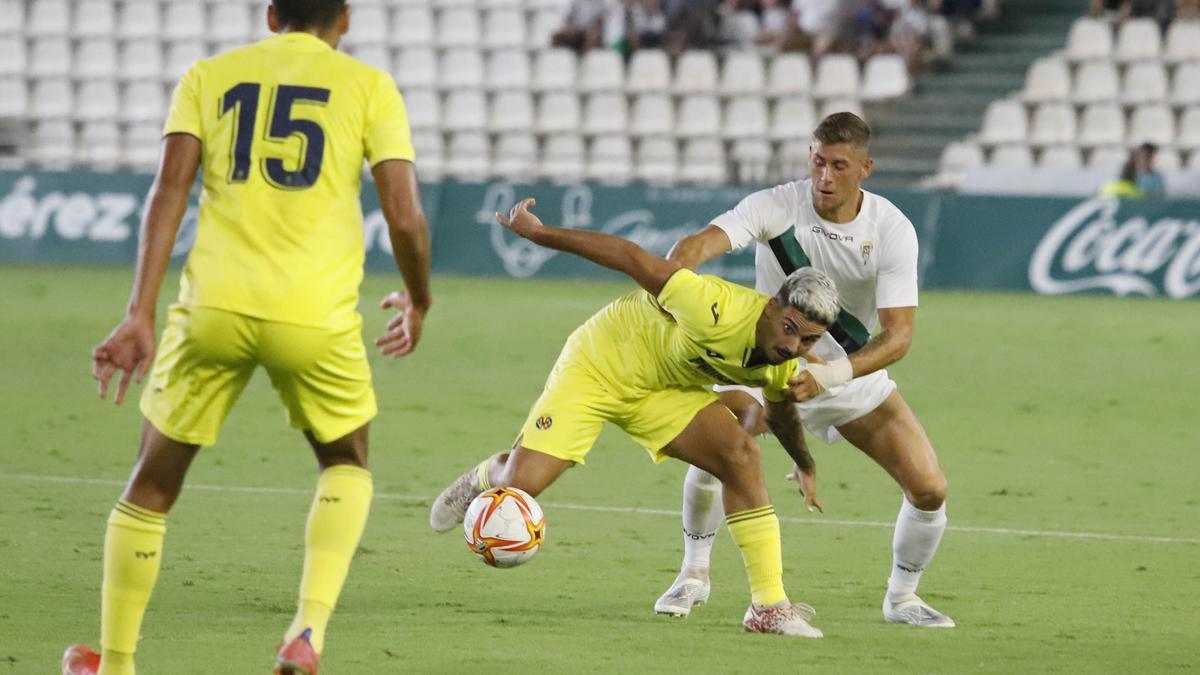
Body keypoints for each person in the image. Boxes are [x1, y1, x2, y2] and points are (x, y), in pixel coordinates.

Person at [62, 1, 433, 674]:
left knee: (150, 485)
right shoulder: (369, 86)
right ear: (343, 19)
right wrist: (419, 297)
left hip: (214, 307)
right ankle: (307, 631)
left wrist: (139, 312)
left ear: (270, 16)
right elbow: (404, 218)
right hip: (314, 314)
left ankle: (113, 664)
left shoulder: (210, 75)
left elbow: (168, 190)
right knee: (346, 460)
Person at [430, 197, 837, 637]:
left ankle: (768, 606)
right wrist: (540, 234)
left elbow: (781, 412)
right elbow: (628, 256)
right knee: (519, 488)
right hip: (599, 365)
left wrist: (806, 462)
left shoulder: (781, 362)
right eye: (791, 328)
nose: (794, 345)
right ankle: (490, 473)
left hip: (662, 391)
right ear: (772, 306)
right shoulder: (711, 306)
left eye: (809, 340)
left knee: (741, 455)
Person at [653, 112, 955, 628]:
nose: (824, 177)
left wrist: (830, 377)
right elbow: (695, 247)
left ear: (865, 169)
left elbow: (898, 337)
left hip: (845, 374)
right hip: (761, 364)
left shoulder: (891, 229)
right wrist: (673, 280)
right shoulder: (776, 205)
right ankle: (693, 573)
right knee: (719, 447)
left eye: (839, 166)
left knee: (930, 489)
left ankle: (902, 598)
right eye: (817, 162)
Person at [1100, 143, 1165, 198]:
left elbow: (1159, 196)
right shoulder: (1129, 172)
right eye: (1143, 155)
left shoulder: (1158, 177)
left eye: (1148, 156)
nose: (1145, 159)